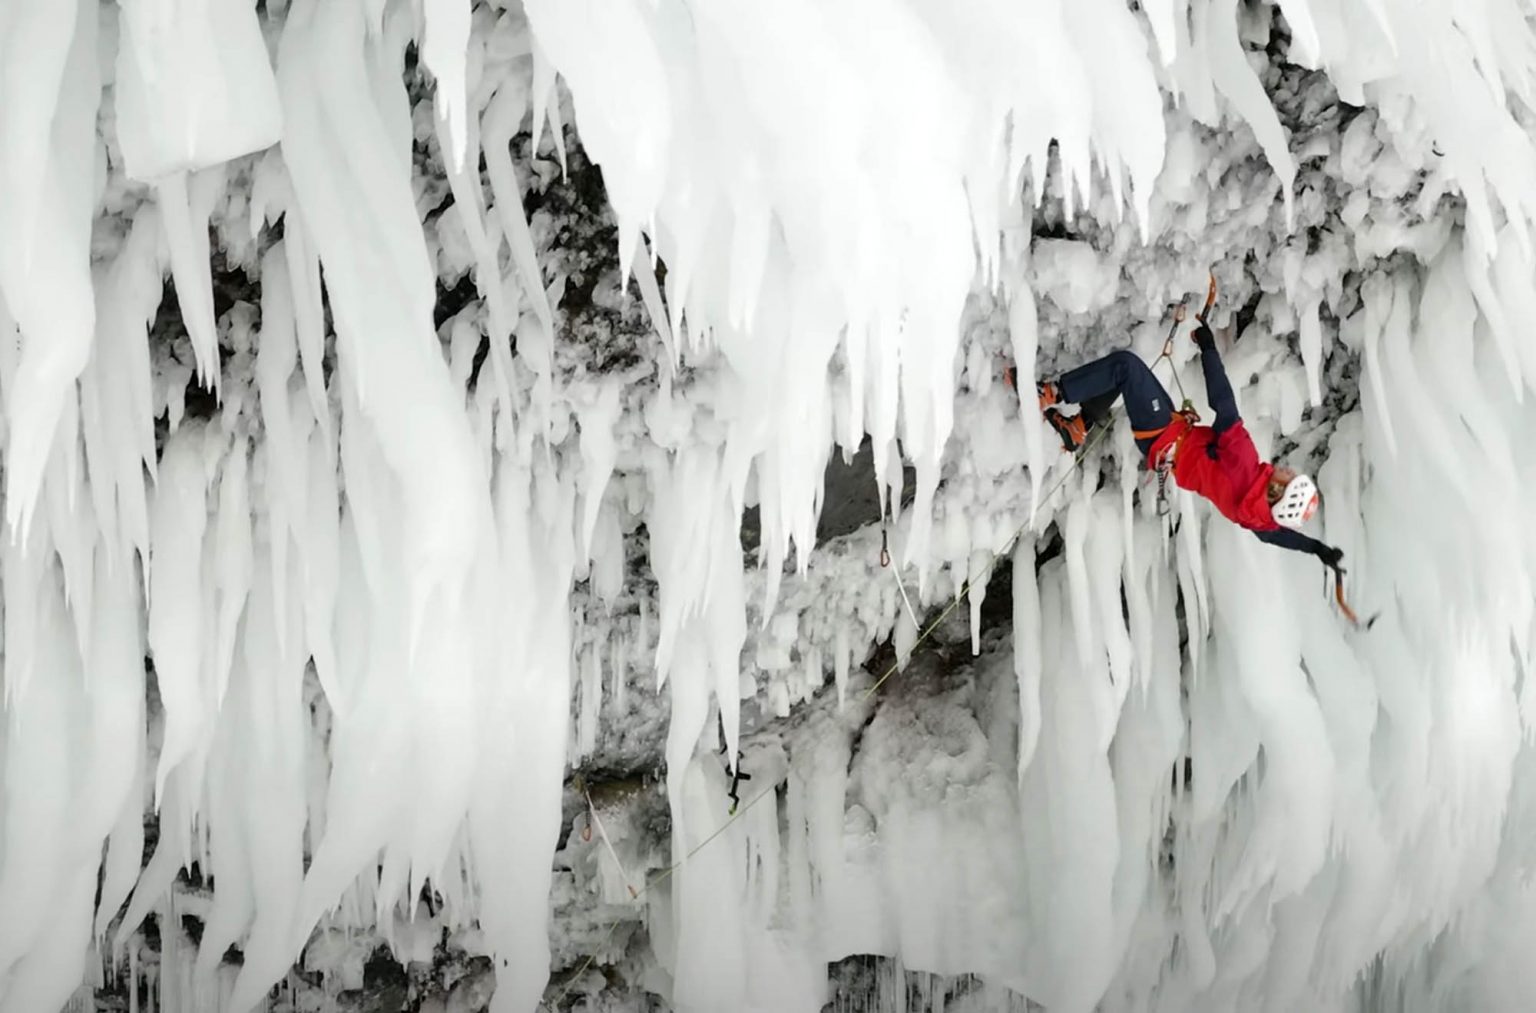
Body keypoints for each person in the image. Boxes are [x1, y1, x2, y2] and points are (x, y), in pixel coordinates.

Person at [1031, 323, 1345, 568]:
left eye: (1288, 480)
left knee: (1126, 368)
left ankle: (1052, 393)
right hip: (1169, 440)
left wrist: (1208, 347)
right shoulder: (1253, 517)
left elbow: (1223, 401)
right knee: (1133, 383)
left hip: (1163, 436)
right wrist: (1316, 548)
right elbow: (1277, 537)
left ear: (1278, 492)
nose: (1288, 471)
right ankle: (1078, 426)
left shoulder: (1244, 466)